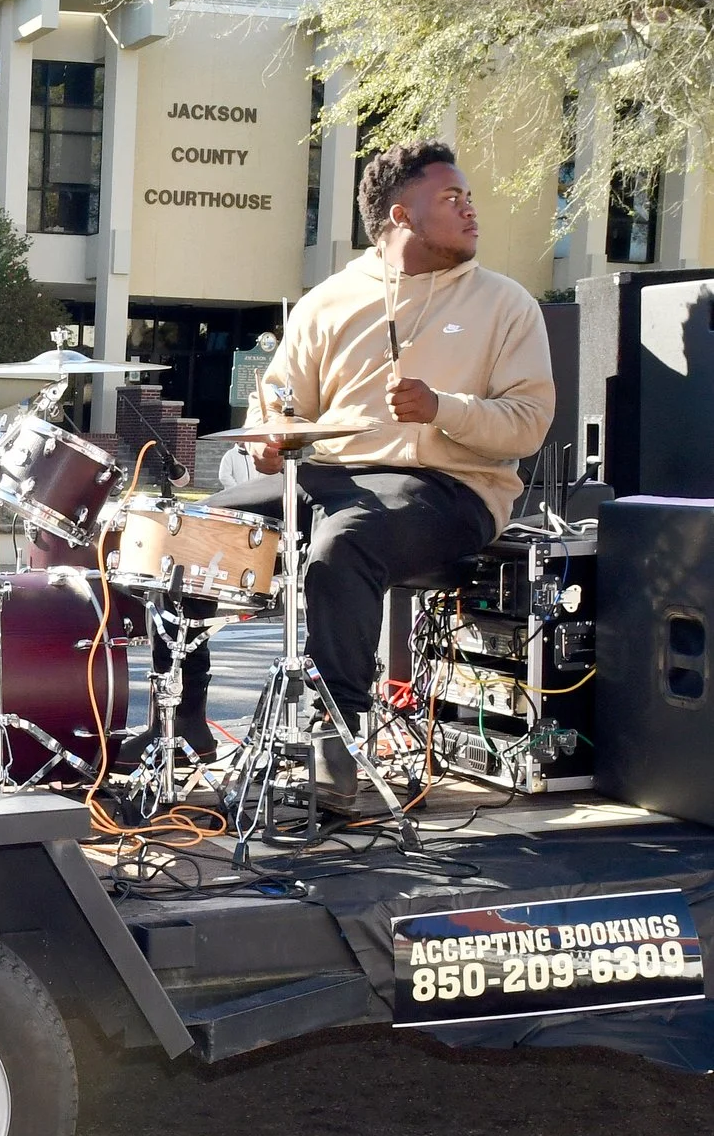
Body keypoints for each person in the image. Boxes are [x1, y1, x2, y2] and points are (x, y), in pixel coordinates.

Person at [129, 140, 553, 803]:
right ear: (401, 217)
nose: (472, 210)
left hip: (448, 488)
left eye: (468, 196)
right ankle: (180, 723)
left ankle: (339, 750)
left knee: (341, 547)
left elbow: (528, 423)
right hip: (328, 475)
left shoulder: (506, 304)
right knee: (183, 531)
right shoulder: (328, 302)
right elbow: (276, 407)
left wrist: (443, 408)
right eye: (452, 198)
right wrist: (271, 443)